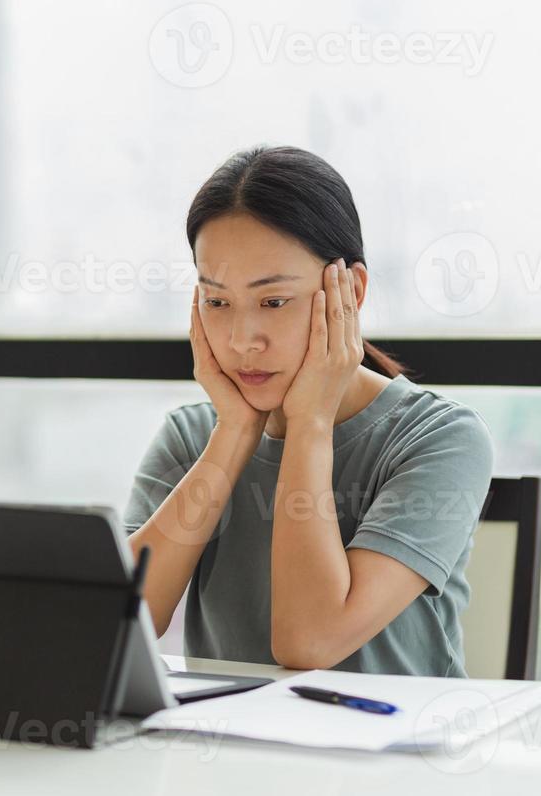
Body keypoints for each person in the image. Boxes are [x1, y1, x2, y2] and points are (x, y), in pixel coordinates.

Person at [123, 144, 494, 676]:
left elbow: (309, 643)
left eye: (273, 302)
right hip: (227, 749)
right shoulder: (191, 436)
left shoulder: (441, 438)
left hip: (387, 751)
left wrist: (310, 423)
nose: (241, 339)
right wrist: (233, 433)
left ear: (351, 291)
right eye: (217, 302)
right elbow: (122, 619)